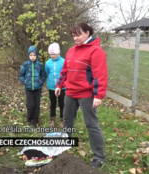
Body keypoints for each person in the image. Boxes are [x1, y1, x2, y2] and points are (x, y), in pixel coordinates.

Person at [55, 22, 108, 168]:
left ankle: (99, 157)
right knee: (67, 121)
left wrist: (98, 95)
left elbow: (100, 75)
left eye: (78, 35)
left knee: (91, 125)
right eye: (73, 35)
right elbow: (65, 71)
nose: (75, 38)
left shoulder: (95, 51)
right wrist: (60, 85)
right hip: (70, 92)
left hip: (86, 94)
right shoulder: (71, 50)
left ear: (87, 33)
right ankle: (65, 146)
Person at [19, 45, 46, 127]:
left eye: (34, 55)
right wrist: (25, 81)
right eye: (31, 55)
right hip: (29, 88)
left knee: (37, 105)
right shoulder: (25, 65)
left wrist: (41, 81)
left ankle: (35, 120)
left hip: (38, 88)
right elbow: (21, 75)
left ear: (36, 55)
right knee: (30, 105)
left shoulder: (40, 65)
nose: (32, 57)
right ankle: (29, 117)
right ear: (28, 56)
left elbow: (44, 75)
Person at [45, 43, 65, 128]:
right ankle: (52, 120)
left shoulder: (64, 61)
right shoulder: (47, 63)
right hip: (51, 87)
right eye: (51, 54)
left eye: (54, 54)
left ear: (58, 52)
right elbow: (47, 73)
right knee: (52, 103)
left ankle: (62, 120)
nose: (52, 56)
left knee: (62, 104)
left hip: (62, 88)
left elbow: (65, 74)